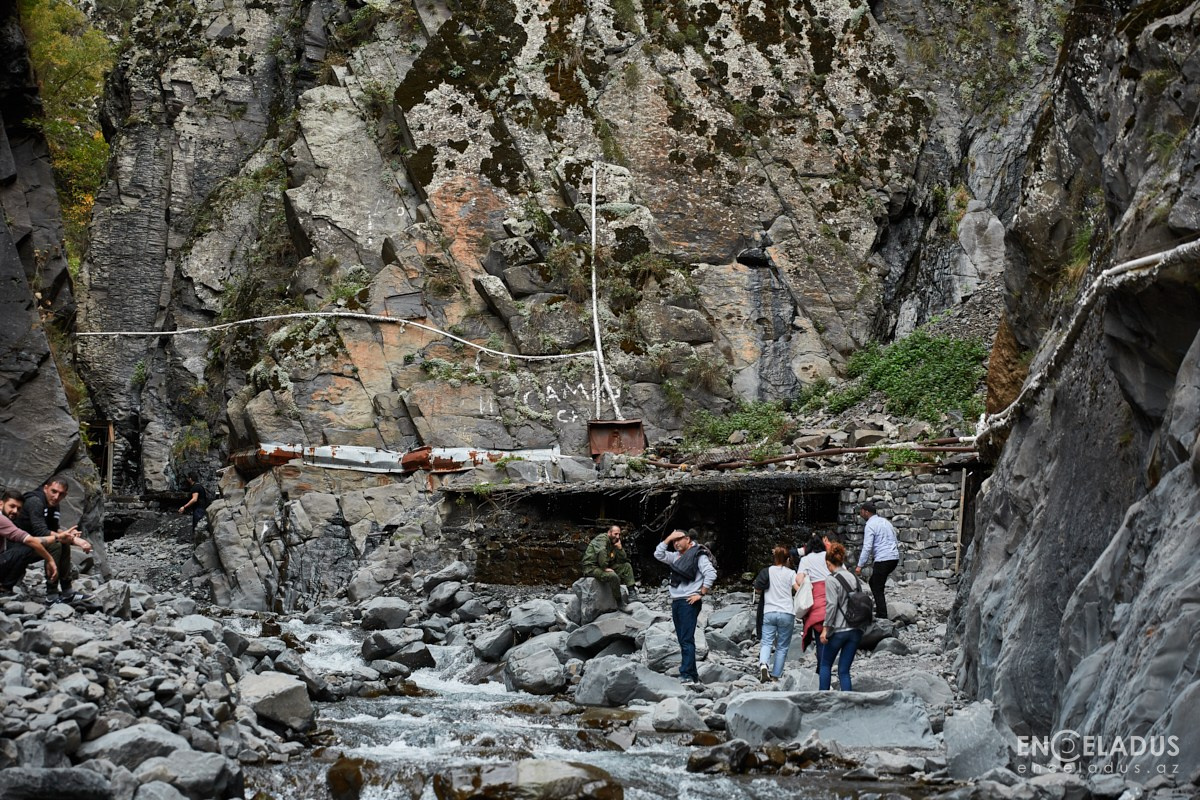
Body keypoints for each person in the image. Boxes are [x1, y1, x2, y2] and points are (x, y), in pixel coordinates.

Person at [14, 476, 92, 602]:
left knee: (63, 543)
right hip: (17, 547)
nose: (56, 497)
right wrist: (74, 540)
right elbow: (41, 532)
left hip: (33, 543)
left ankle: (67, 591)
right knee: (56, 544)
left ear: (65, 495)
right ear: (46, 488)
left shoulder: (53, 505)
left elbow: (53, 529)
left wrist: (70, 537)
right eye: (54, 491)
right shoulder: (35, 501)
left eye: (61, 494)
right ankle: (51, 594)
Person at [654, 529, 716, 685]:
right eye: (674, 541)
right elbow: (658, 554)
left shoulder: (698, 555)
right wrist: (669, 538)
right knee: (683, 639)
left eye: (679, 540)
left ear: (688, 539)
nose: (676, 543)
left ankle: (686, 674)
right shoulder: (675, 556)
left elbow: (711, 573)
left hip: (689, 602)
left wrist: (701, 593)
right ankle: (692, 675)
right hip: (677, 601)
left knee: (687, 639)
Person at [0, 489, 78, 594]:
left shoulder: (7, 520)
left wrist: (58, 537)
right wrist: (50, 559)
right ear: (1, 504)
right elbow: (30, 540)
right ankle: (5, 588)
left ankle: (66, 590)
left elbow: (33, 540)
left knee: (30, 547)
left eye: (19, 509)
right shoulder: (2, 520)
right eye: (12, 506)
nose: (15, 511)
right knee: (27, 549)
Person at [820, 542, 867, 690]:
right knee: (844, 671)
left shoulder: (831, 579)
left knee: (825, 664)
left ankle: (822, 698)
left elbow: (831, 605)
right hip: (856, 629)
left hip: (840, 630)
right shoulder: (853, 577)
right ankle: (849, 700)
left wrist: (825, 629)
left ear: (829, 563)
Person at [753, 545, 803, 682]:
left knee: (766, 642)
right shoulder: (791, 573)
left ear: (775, 558)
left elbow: (758, 589)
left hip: (769, 611)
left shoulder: (767, 571)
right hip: (787, 612)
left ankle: (764, 664)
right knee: (782, 646)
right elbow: (798, 589)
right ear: (788, 559)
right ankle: (776, 675)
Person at [856, 501, 900, 618]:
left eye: (861, 511)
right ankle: (881, 609)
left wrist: (860, 565)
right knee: (874, 582)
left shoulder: (870, 525)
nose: (860, 514)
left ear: (866, 512)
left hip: (883, 559)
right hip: (894, 557)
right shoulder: (885, 522)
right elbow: (895, 539)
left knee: (876, 586)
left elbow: (867, 547)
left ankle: (882, 614)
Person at [797, 533, 833, 670]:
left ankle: (821, 666)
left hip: (816, 600)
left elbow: (799, 580)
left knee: (819, 636)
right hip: (832, 596)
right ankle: (827, 664)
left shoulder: (805, 560)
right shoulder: (829, 556)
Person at [581, 523, 636, 607]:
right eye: (615, 534)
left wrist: (620, 548)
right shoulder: (602, 539)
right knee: (613, 576)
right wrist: (604, 567)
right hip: (591, 568)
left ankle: (633, 595)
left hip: (604, 566)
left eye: (619, 534)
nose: (617, 536)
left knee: (626, 566)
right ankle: (620, 603)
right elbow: (602, 552)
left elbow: (623, 560)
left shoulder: (614, 542)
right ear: (609, 533)